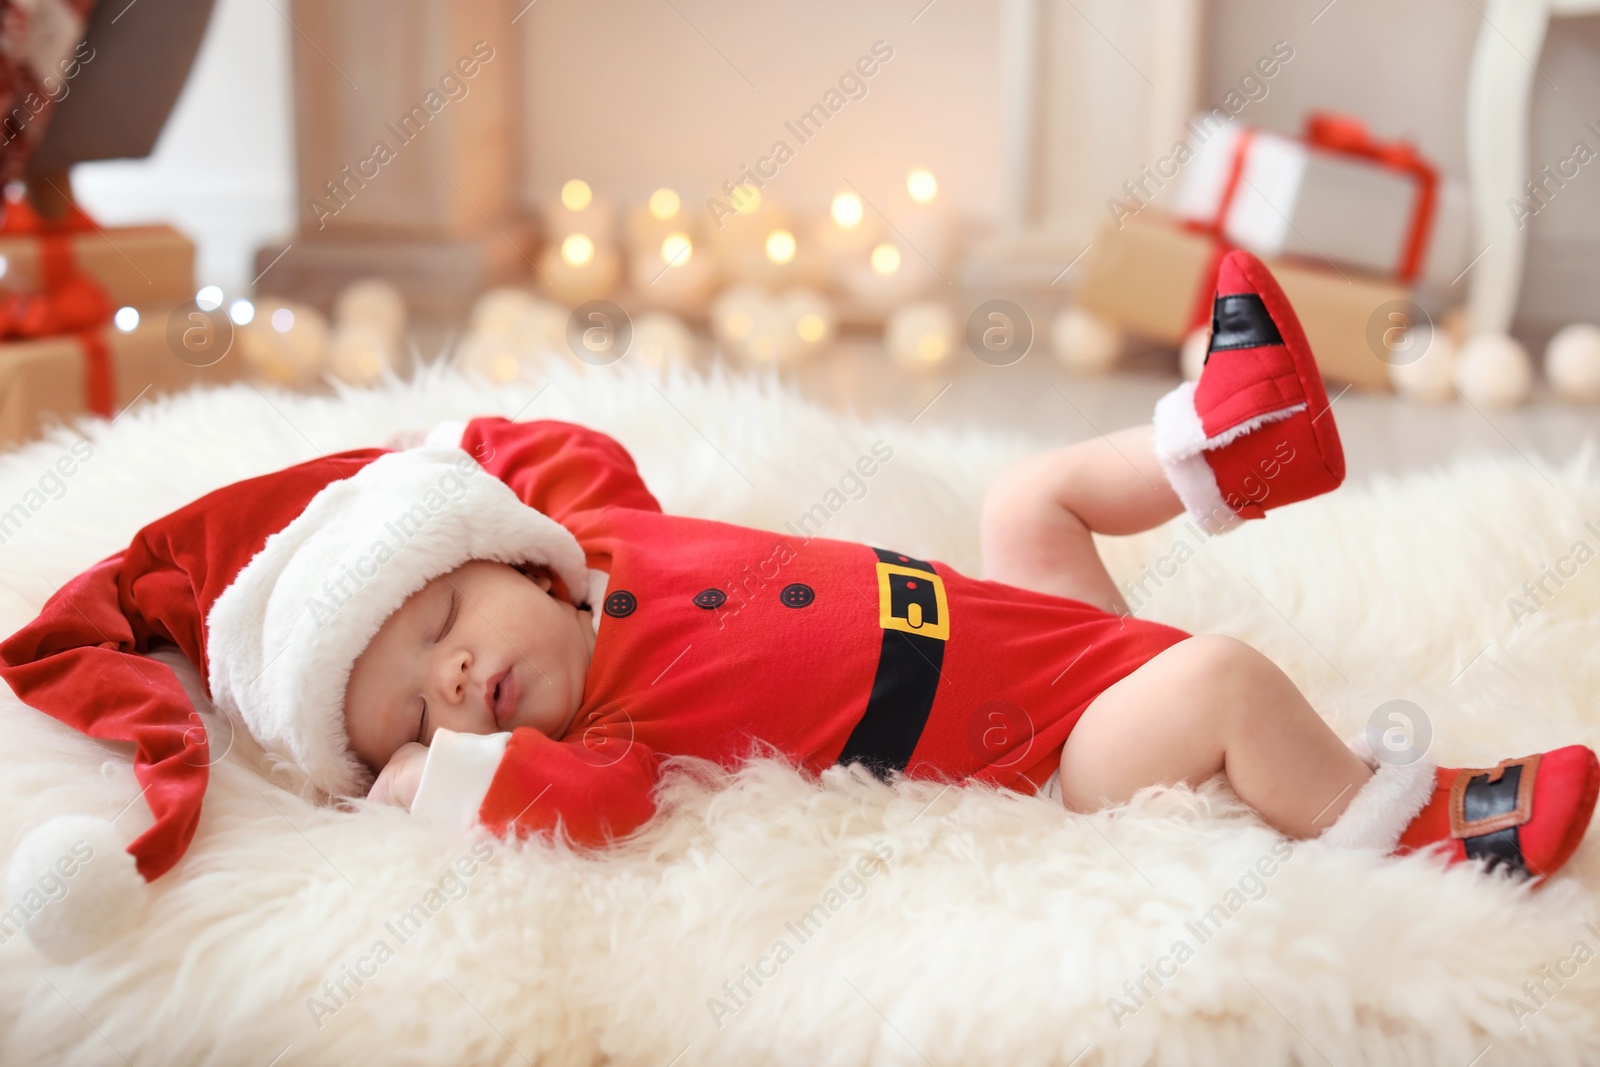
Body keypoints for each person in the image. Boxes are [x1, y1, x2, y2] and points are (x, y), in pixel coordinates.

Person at [2, 250, 1593, 962]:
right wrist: (443, 783)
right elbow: (593, 804)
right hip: (1040, 732)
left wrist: (317, 509)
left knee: (1026, 501)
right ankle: (1411, 814)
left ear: (501, 554)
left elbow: (517, 445)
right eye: (408, 715)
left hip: (1033, 626)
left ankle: (1236, 434)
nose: (458, 681)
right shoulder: (612, 729)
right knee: (1224, 677)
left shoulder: (595, 528)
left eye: (435, 632)